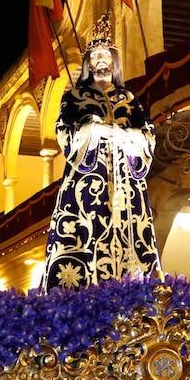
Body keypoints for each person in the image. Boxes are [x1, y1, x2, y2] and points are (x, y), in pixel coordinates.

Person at [43, 15, 162, 289]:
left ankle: (135, 289)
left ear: (113, 60)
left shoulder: (129, 99)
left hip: (126, 183)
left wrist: (127, 136)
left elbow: (148, 133)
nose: (100, 59)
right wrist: (92, 131)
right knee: (85, 233)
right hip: (86, 182)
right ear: (88, 63)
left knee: (132, 235)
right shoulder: (73, 97)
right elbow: (62, 132)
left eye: (105, 54)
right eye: (95, 55)